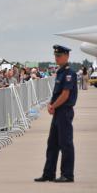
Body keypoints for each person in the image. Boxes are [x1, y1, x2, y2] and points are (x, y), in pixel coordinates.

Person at [35, 45, 77, 183]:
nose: (56, 58)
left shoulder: (69, 73)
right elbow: (57, 93)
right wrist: (50, 104)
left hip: (64, 111)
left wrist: (53, 105)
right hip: (58, 111)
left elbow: (65, 94)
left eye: (59, 56)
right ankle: (49, 173)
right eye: (55, 56)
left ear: (66, 56)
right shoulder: (60, 72)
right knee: (52, 143)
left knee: (66, 143)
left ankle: (67, 174)